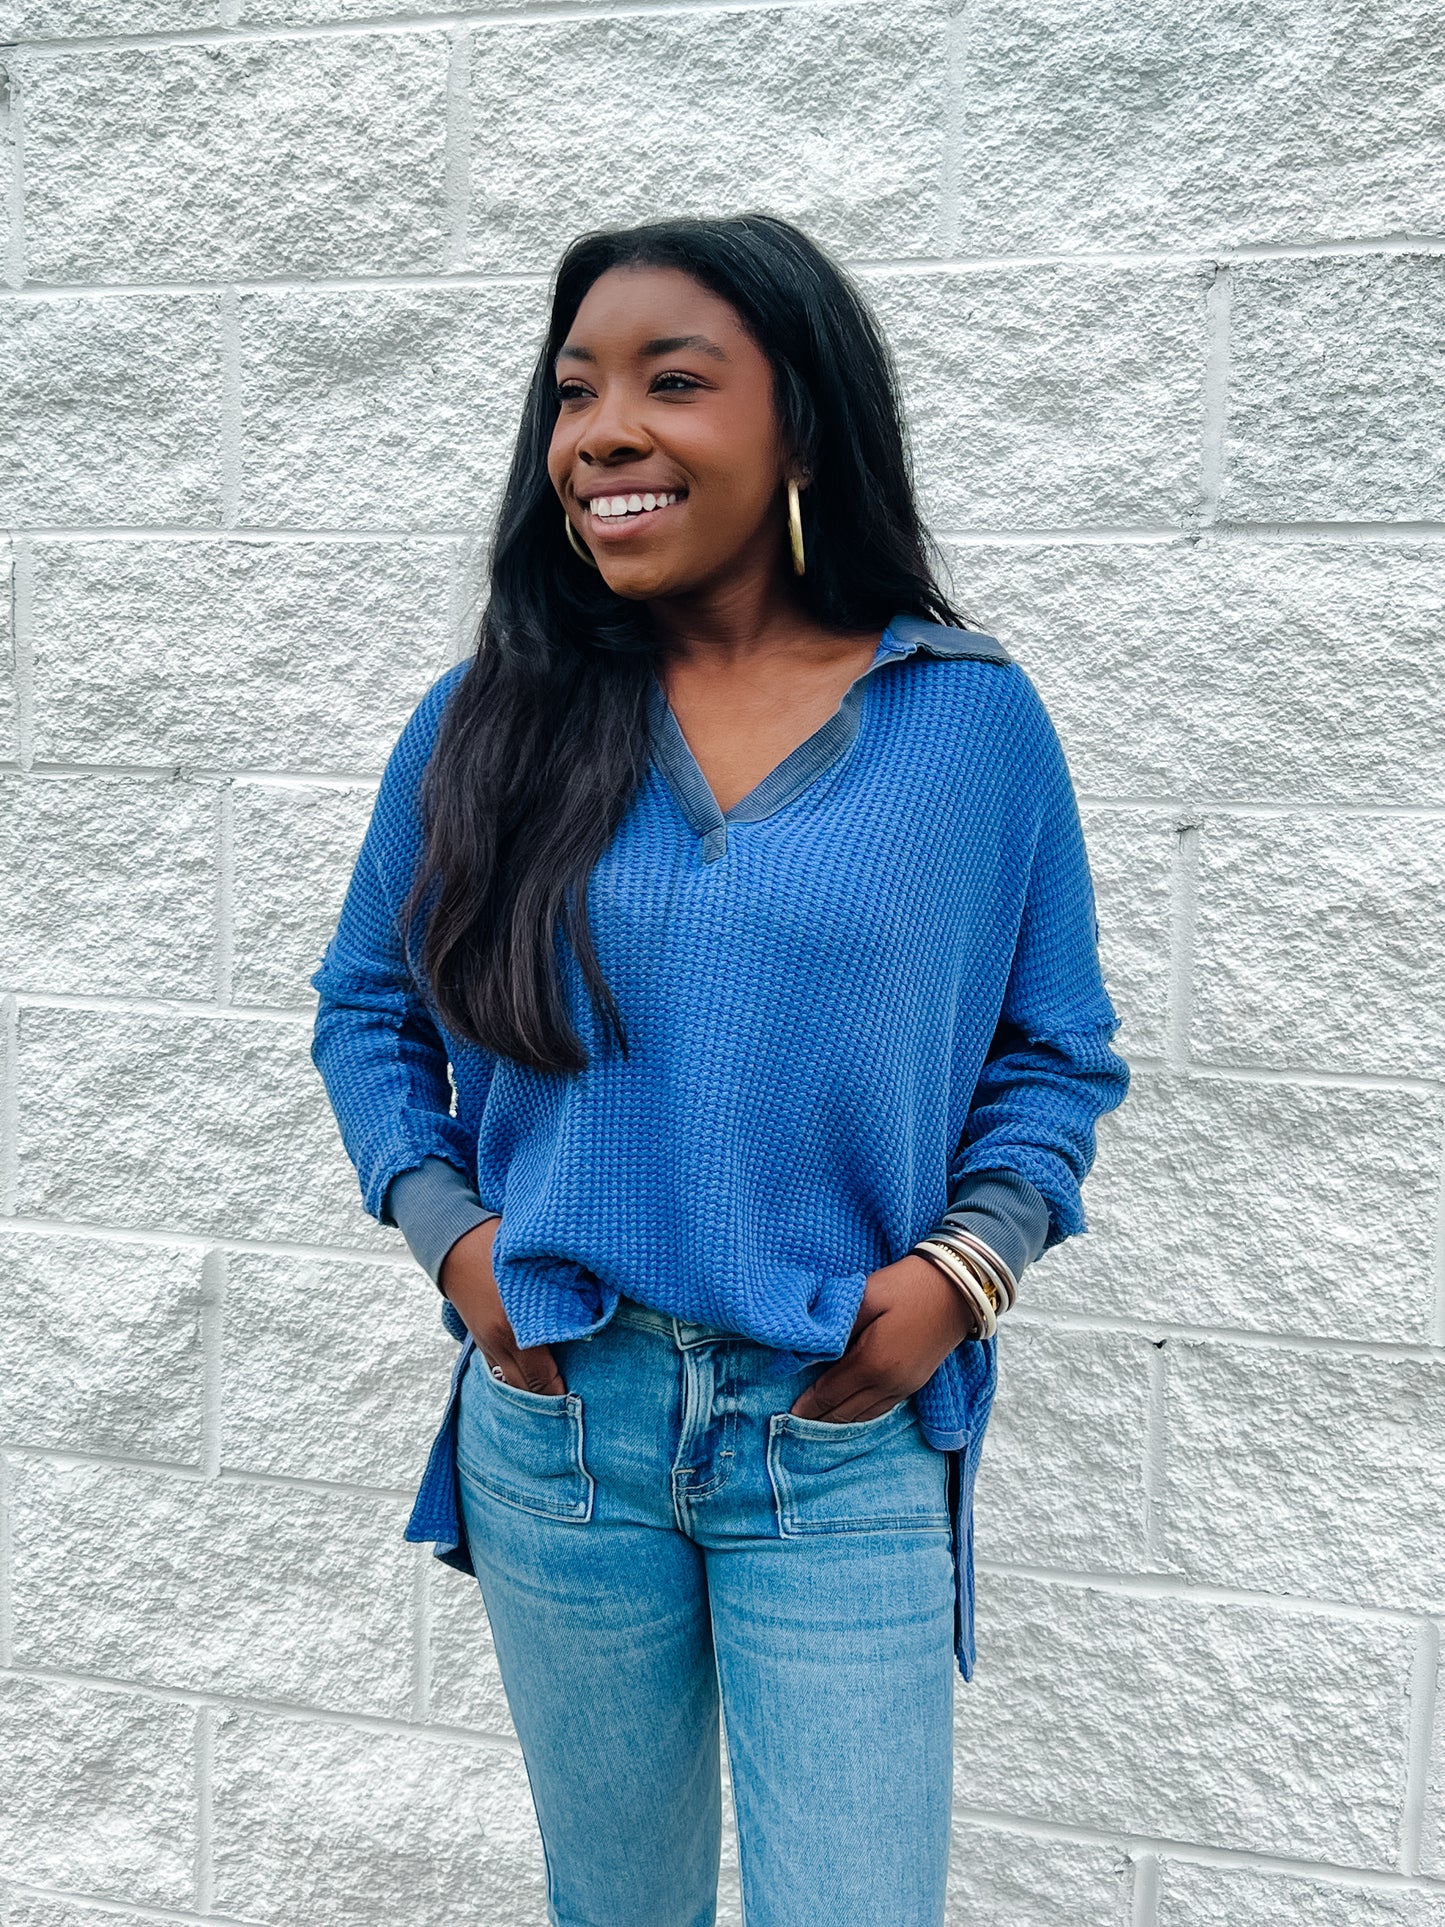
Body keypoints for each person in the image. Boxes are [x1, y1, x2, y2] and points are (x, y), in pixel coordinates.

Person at [310, 213, 1130, 1927]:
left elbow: (1052, 1054)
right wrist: (458, 1246)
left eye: (671, 383)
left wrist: (964, 1276)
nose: (602, 431)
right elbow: (367, 1010)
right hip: (560, 1426)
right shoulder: (486, 717)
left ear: (801, 426)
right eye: (573, 393)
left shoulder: (966, 723)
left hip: (837, 1431)